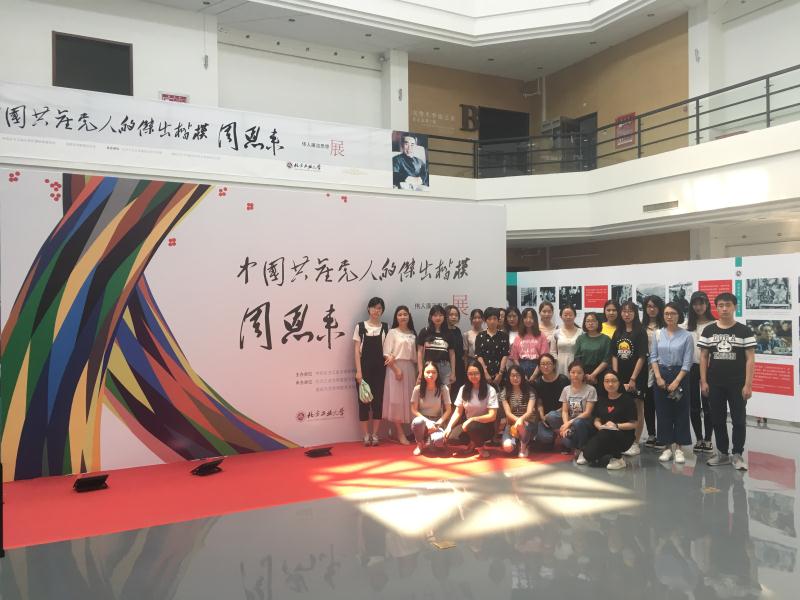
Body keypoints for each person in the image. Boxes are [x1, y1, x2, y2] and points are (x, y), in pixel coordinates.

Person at [698, 293, 756, 470]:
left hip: (737, 384)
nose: (724, 309)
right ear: (716, 307)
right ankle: (722, 453)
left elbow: (750, 359)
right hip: (715, 383)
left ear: (734, 307)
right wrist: (703, 381)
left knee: (738, 420)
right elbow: (703, 357)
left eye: (728, 305)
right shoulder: (708, 330)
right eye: (721, 305)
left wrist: (748, 384)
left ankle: (737, 454)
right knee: (717, 419)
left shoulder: (744, 331)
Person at [650, 302, 694, 464]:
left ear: (679, 315)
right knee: (663, 412)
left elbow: (687, 362)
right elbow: (653, 357)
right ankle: (667, 447)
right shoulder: (657, 334)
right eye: (666, 313)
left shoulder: (687, 336)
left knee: (681, 412)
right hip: (661, 375)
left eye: (673, 313)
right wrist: (658, 377)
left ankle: (679, 448)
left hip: (679, 375)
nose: (669, 316)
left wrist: (676, 381)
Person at [611, 301, 648, 457]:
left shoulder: (640, 332)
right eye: (624, 311)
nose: (627, 314)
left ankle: (635, 442)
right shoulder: (618, 331)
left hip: (637, 377)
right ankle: (624, 441)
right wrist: (615, 376)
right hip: (620, 377)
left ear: (635, 313)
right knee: (623, 408)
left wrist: (633, 378)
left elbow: (642, 357)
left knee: (638, 408)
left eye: (630, 311)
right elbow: (614, 355)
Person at [581, 370, 637, 470]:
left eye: (613, 381)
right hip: (603, 433)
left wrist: (616, 425)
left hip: (623, 435)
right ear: (603, 383)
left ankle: (618, 459)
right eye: (607, 381)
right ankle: (606, 453)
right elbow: (596, 419)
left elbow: (634, 424)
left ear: (619, 383)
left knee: (607, 433)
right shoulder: (601, 399)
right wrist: (600, 427)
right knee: (588, 455)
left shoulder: (627, 400)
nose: (610, 384)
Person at [544, 360, 597, 463]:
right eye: (573, 372)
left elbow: (588, 413)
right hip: (571, 421)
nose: (576, 375)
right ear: (569, 373)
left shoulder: (591, 389)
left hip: (585, 422)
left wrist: (569, 423)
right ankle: (568, 435)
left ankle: (582, 450)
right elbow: (564, 411)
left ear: (584, 374)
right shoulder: (566, 389)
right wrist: (565, 425)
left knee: (578, 422)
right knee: (552, 416)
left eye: (579, 373)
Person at [444, 360, 499, 458]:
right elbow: (458, 412)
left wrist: (472, 419)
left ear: (481, 373)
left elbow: (492, 416)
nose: (473, 376)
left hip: (486, 426)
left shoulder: (490, 390)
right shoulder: (463, 389)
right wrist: (449, 427)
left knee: (473, 427)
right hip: (468, 424)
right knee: (452, 438)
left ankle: (480, 447)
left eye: (476, 373)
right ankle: (473, 442)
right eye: (470, 374)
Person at [354, 297, 389, 446]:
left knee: (378, 402)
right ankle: (365, 435)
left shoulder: (386, 327)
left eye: (379, 308)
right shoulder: (360, 326)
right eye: (374, 307)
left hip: (380, 370)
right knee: (363, 402)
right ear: (368, 309)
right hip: (364, 369)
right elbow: (357, 351)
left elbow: (388, 349)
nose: (376, 310)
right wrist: (358, 372)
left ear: (382, 311)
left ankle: (375, 434)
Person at [382, 305, 418, 445]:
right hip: (395, 368)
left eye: (405, 314)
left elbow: (416, 356)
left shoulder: (413, 333)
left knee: (409, 400)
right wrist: (396, 370)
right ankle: (399, 432)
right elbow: (386, 353)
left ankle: (411, 431)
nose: (403, 317)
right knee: (396, 401)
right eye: (400, 314)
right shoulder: (392, 332)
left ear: (409, 316)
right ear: (396, 317)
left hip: (410, 368)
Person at [685, 291, 714, 454]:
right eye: (695, 303)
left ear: (707, 304)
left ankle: (708, 439)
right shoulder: (686, 325)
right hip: (690, 368)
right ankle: (699, 439)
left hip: (710, 369)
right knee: (693, 406)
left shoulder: (715, 324)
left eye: (701, 303)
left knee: (708, 405)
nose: (698, 307)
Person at [410, 362, 452, 456]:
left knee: (439, 442)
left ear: (437, 374)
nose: (430, 375)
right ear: (423, 373)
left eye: (433, 372)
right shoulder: (417, 389)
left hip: (436, 421)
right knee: (418, 422)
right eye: (427, 372)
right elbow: (414, 410)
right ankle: (420, 444)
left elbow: (448, 410)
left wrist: (438, 423)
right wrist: (427, 422)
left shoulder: (443, 388)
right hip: (422, 421)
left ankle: (431, 439)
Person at [642, 295, 666, 449]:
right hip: (645, 368)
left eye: (655, 306)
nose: (652, 309)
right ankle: (651, 434)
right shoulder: (641, 326)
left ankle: (663, 435)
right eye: (649, 306)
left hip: (662, 367)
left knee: (661, 403)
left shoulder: (665, 326)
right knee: (648, 403)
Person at [532, 353, 569, 448]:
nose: (546, 366)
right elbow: (539, 402)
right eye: (543, 364)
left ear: (554, 365)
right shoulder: (538, 382)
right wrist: (542, 416)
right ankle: (553, 434)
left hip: (561, 415)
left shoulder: (563, 380)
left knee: (552, 416)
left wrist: (551, 415)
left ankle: (562, 433)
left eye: (548, 363)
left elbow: (568, 403)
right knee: (544, 438)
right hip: (545, 418)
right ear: (539, 367)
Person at [416, 305, 456, 389]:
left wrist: (453, 372)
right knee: (429, 392)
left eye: (440, 315)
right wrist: (420, 371)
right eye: (435, 315)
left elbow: (452, 354)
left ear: (444, 317)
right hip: (429, 367)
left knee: (445, 394)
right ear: (431, 317)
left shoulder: (449, 333)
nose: (438, 318)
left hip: (444, 367)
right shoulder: (425, 331)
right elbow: (419, 352)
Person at [499, 365, 535, 458]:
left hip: (527, 423)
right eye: (513, 375)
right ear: (509, 377)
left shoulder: (530, 391)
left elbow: (529, 411)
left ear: (522, 376)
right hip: (511, 425)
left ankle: (524, 446)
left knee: (520, 425)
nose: (515, 378)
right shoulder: (505, 392)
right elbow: (508, 413)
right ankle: (516, 441)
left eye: (518, 375)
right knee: (507, 448)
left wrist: (520, 420)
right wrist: (517, 420)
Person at [510, 307, 550, 381]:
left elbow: (544, 357)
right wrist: (522, 374)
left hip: (538, 367)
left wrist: (534, 375)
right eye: (525, 317)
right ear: (522, 319)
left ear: (535, 319)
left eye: (531, 317)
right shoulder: (518, 336)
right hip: (521, 367)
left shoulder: (541, 336)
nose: (528, 320)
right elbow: (514, 358)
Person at [573, 312, 611, 388]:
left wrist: (593, 375)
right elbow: (577, 358)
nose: (590, 323)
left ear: (598, 322)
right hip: (583, 373)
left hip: (600, 373)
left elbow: (606, 360)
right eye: (588, 321)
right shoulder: (580, 338)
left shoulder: (606, 339)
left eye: (593, 321)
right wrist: (585, 375)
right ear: (585, 323)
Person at [475, 307, 509, 389]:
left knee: (501, 394)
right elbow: (479, 355)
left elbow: (505, 355)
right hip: (484, 373)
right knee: (484, 394)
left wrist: (500, 374)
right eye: (489, 319)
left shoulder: (504, 335)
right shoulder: (480, 336)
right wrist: (485, 373)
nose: (492, 321)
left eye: (495, 318)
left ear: (498, 320)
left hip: (500, 373)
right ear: (485, 320)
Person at [445, 304, 467, 403]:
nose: (454, 317)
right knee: (446, 392)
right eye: (451, 315)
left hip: (459, 365)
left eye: (456, 315)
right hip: (445, 364)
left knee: (458, 391)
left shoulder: (457, 330)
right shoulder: (442, 330)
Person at [552, 305, 581, 377]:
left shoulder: (581, 333)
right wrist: (555, 364)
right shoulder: (556, 333)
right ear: (561, 316)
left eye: (570, 315)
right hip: (560, 364)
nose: (568, 317)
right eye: (565, 315)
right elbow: (553, 352)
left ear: (575, 316)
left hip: (576, 364)